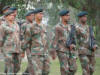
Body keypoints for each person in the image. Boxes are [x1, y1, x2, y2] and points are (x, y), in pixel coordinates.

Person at [51, 9, 77, 75]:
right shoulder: (57, 27)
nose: (68, 17)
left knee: (73, 68)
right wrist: (53, 52)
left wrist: (73, 44)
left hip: (71, 51)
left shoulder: (71, 27)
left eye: (69, 15)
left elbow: (74, 39)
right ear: (62, 17)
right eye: (67, 15)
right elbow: (54, 40)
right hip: (62, 51)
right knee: (65, 69)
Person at [0, 10, 21, 75]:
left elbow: (18, 36)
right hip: (8, 49)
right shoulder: (3, 26)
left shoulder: (16, 24)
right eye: (10, 15)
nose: (12, 16)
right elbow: (1, 38)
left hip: (17, 49)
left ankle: (7, 72)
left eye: (13, 15)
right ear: (6, 17)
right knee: (10, 68)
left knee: (17, 67)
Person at [21, 10, 36, 75]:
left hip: (35, 47)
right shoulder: (24, 25)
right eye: (32, 15)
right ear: (27, 17)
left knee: (33, 62)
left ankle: (26, 73)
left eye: (33, 15)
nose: (33, 17)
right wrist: (23, 51)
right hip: (28, 47)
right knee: (31, 62)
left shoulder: (34, 24)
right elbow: (22, 37)